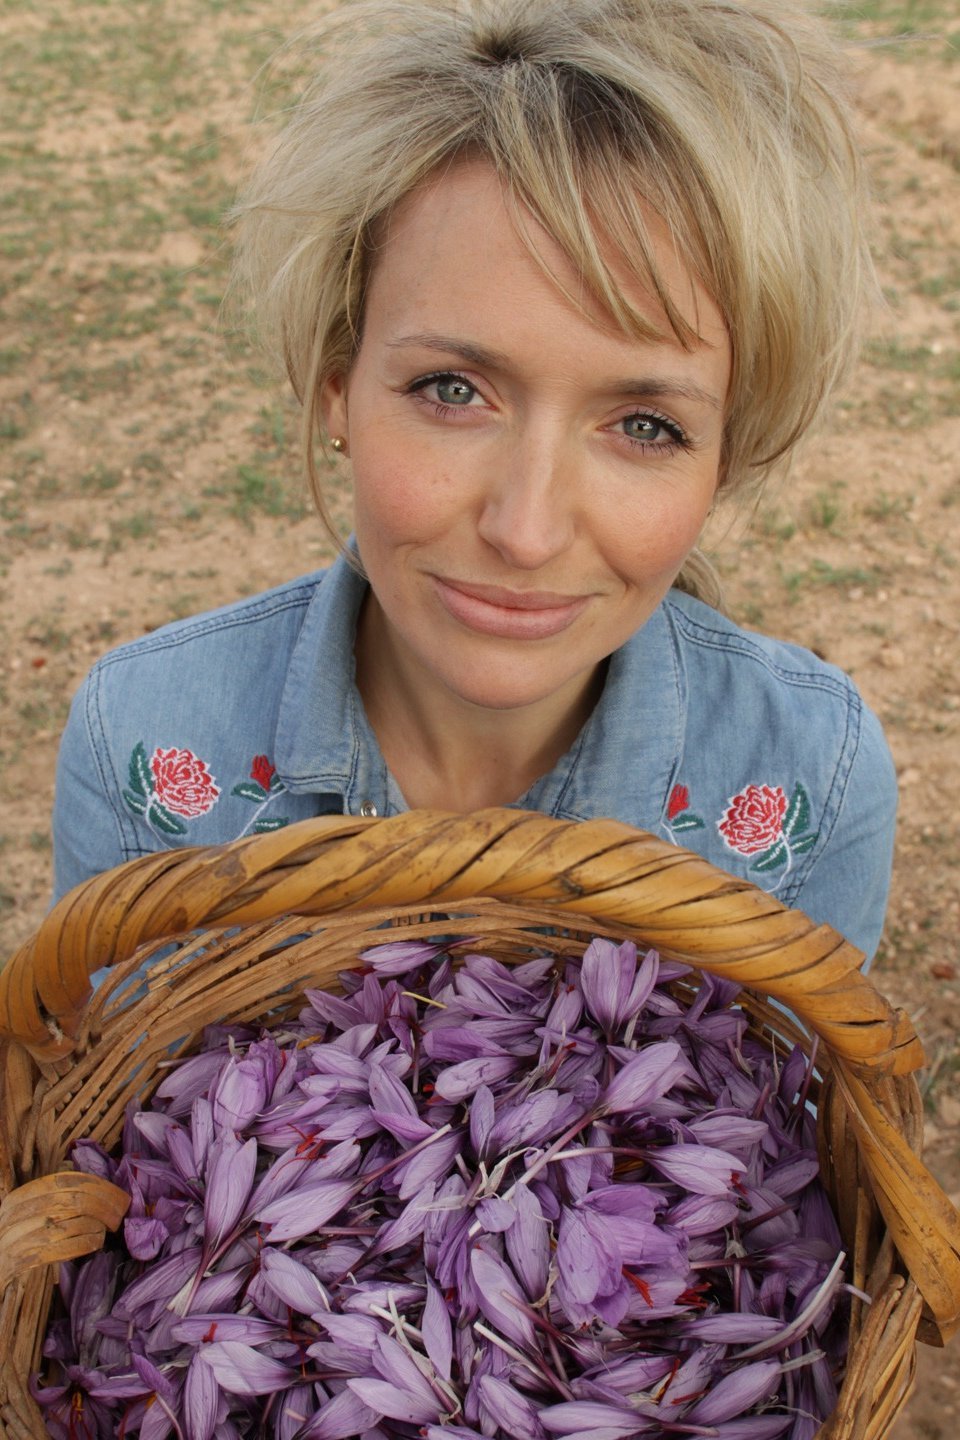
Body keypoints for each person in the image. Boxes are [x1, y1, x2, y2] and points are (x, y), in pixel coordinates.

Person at [51, 0, 896, 962]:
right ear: (335, 384)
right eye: (453, 390)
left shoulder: (806, 779)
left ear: (725, 457)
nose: (525, 530)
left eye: (646, 426)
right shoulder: (148, 745)